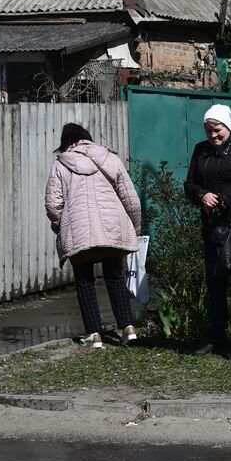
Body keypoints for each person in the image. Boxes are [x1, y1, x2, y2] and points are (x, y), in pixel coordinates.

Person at [44, 123, 142, 349]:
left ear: (65, 142)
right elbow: (131, 199)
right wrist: (135, 228)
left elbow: (53, 204)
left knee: (84, 281)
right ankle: (128, 329)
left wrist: (63, 225)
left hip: (79, 233)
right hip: (112, 228)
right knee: (115, 277)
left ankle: (94, 335)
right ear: (89, 138)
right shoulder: (110, 158)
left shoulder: (61, 165)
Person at [184, 104, 231, 357]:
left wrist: (222, 198)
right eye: (208, 131)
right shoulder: (201, 150)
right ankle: (216, 338)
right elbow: (190, 183)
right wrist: (201, 194)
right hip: (213, 228)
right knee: (215, 285)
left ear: (227, 127)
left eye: (217, 130)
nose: (213, 135)